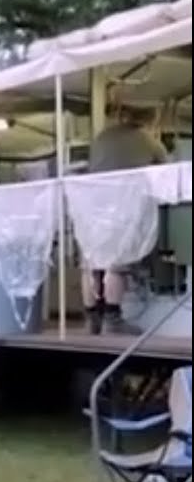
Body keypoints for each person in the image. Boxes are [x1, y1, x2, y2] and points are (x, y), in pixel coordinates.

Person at [82, 105, 168, 335]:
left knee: (92, 263)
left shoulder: (101, 137)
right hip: (121, 205)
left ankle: (92, 319)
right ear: (149, 119)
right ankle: (113, 319)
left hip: (91, 204)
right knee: (115, 265)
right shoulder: (148, 140)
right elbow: (166, 172)